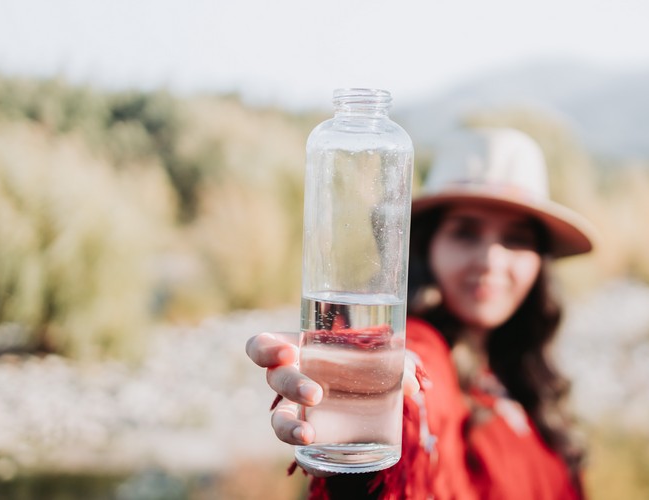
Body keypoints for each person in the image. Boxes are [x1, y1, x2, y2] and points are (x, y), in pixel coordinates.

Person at [246, 127, 598, 499]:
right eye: (465, 232)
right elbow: (413, 379)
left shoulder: (523, 375)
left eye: (516, 239)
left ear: (539, 262)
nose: (491, 260)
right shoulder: (424, 350)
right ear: (428, 245)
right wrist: (364, 377)